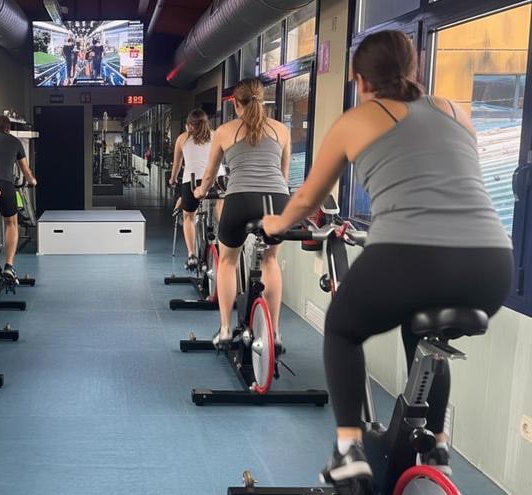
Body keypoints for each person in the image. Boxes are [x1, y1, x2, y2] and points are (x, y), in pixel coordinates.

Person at [261, 30, 512, 485]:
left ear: (359, 79)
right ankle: (435, 445)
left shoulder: (357, 118)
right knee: (423, 334)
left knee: (341, 326)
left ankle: (348, 446)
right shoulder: (454, 111)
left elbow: (306, 199)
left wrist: (276, 225)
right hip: (491, 266)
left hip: (409, 256)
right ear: (413, 68)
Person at [194, 78, 291, 347]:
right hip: (276, 199)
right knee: (271, 260)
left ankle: (225, 329)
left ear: (235, 103)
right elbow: (283, 174)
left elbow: (211, 174)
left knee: (227, 261)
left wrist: (201, 191)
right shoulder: (282, 130)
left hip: (240, 198)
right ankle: (275, 333)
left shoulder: (224, 131)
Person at [0, 115, 37, 282]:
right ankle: (9, 266)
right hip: (4, 184)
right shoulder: (14, 142)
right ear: (8, 128)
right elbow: (25, 170)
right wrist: (32, 181)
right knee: (11, 223)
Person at [169, 109, 214, 269]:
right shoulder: (215, 135)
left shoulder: (183, 138)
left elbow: (177, 164)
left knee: (188, 216)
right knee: (220, 214)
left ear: (188, 125)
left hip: (192, 181)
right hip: (216, 180)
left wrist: (172, 180)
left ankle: (191, 254)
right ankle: (220, 246)